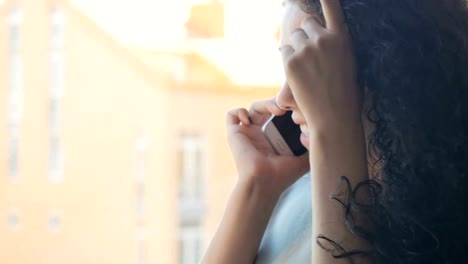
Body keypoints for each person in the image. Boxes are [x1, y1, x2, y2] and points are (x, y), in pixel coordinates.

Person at [202, 0, 468, 263]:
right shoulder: (301, 193)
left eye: (312, 68)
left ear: (389, 71)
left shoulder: (443, 222)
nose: (284, 98)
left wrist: (332, 128)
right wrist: (257, 183)